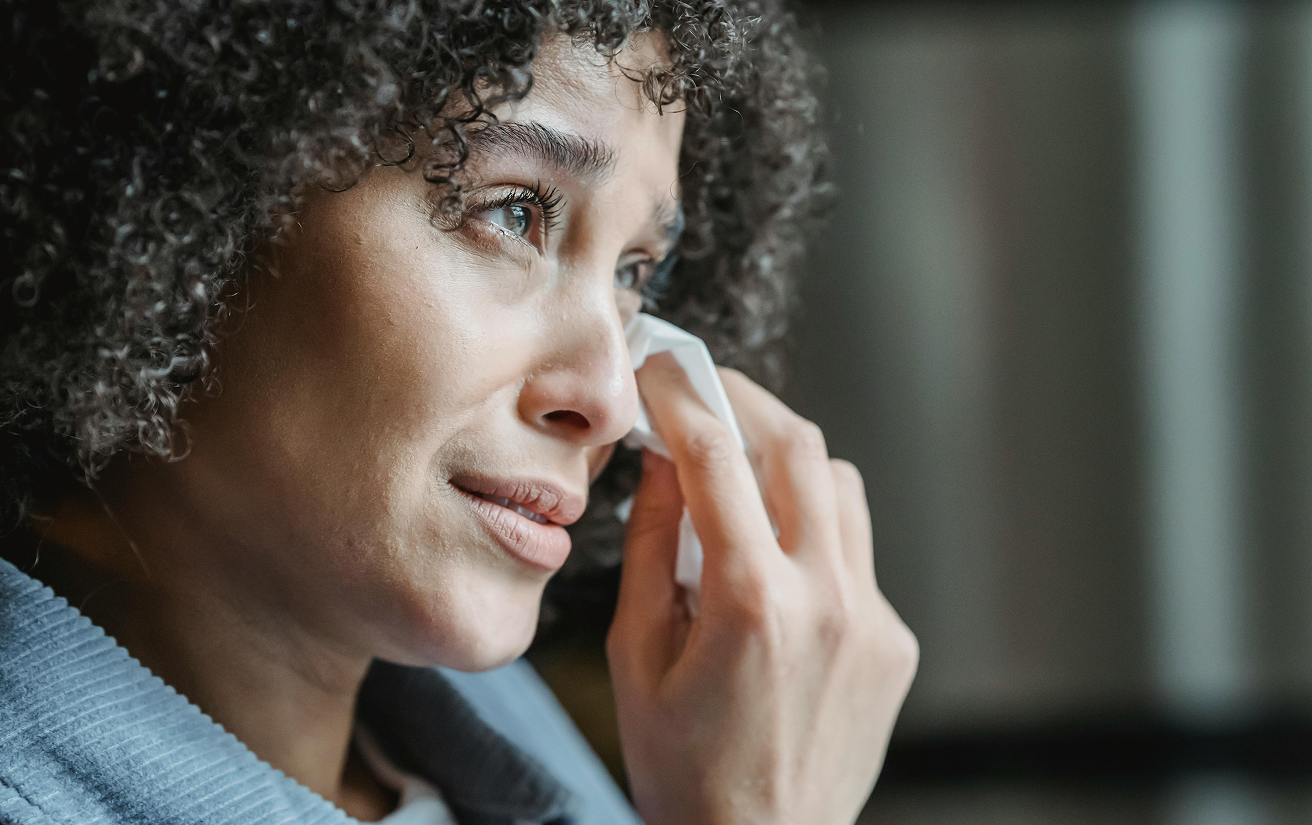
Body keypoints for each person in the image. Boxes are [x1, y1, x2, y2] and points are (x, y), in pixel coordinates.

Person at [0, 2, 918, 824]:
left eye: (635, 274)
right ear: (190, 186)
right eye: (515, 214)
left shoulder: (476, 727)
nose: (607, 399)